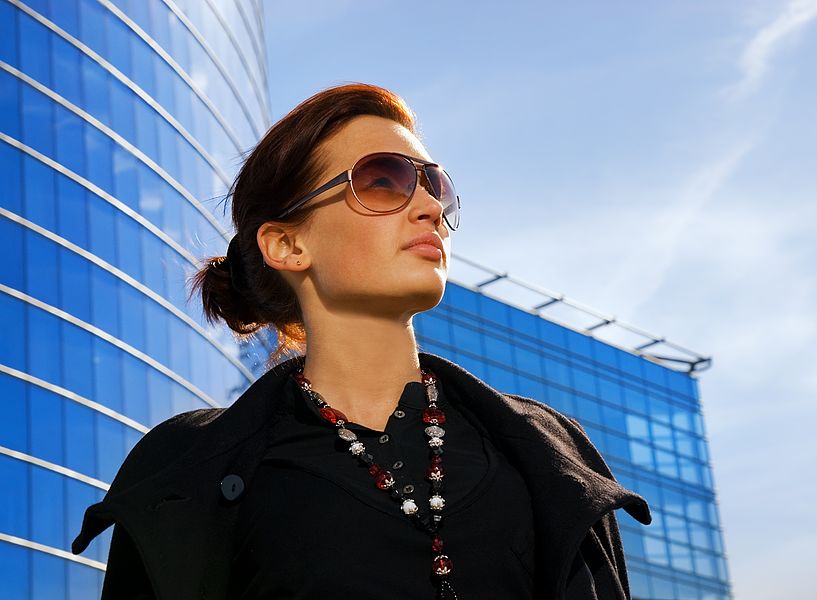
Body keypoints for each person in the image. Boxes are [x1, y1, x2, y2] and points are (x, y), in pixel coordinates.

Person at [70, 83, 651, 600]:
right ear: (287, 245)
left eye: (436, 186)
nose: (429, 209)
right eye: (384, 180)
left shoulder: (548, 451)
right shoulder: (187, 469)